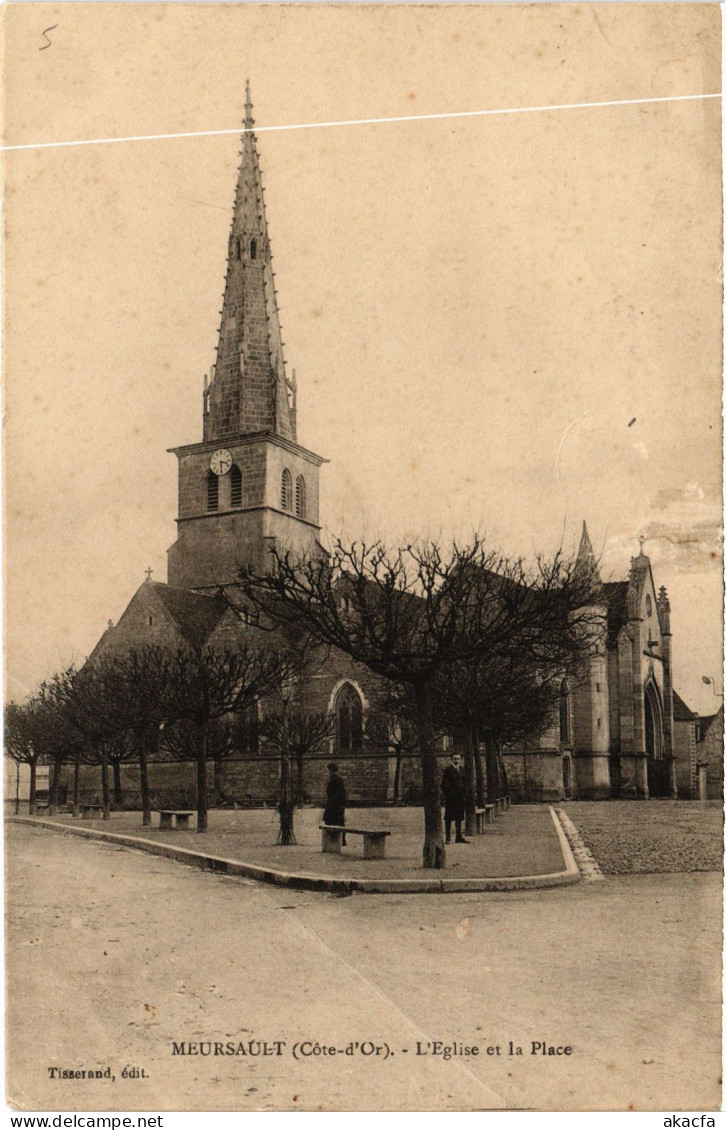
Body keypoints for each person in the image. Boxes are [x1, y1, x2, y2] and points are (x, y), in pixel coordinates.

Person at [440, 753, 469, 843]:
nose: (456, 760)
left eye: (458, 759)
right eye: (455, 758)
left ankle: (458, 837)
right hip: (451, 799)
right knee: (448, 817)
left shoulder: (462, 769)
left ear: (460, 760)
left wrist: (464, 794)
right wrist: (450, 794)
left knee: (459, 817)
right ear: (451, 759)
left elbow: (465, 783)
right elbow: (443, 785)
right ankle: (448, 837)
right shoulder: (448, 770)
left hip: (460, 798)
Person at [323, 762, 347, 845]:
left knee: (335, 822)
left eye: (328, 770)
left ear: (331, 770)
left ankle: (339, 840)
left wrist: (332, 801)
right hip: (334, 804)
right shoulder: (335, 779)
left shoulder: (337, 779)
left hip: (335, 806)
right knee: (332, 821)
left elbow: (340, 793)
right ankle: (336, 840)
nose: (327, 772)